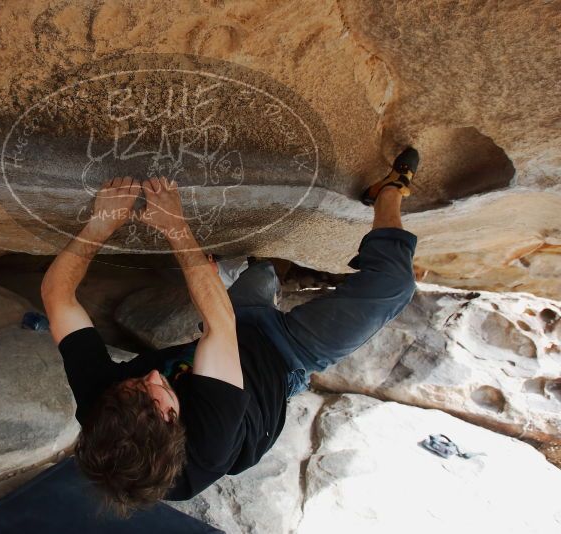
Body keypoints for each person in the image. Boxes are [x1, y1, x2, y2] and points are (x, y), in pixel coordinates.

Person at [40, 148, 420, 517]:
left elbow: (57, 296)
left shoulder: (100, 406)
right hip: (285, 359)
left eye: (135, 383)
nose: (152, 375)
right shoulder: (209, 444)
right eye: (156, 394)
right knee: (395, 284)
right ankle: (389, 192)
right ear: (176, 425)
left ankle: (249, 276)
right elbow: (221, 327)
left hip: (235, 325)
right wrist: (173, 224)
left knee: (262, 269)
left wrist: (101, 223)